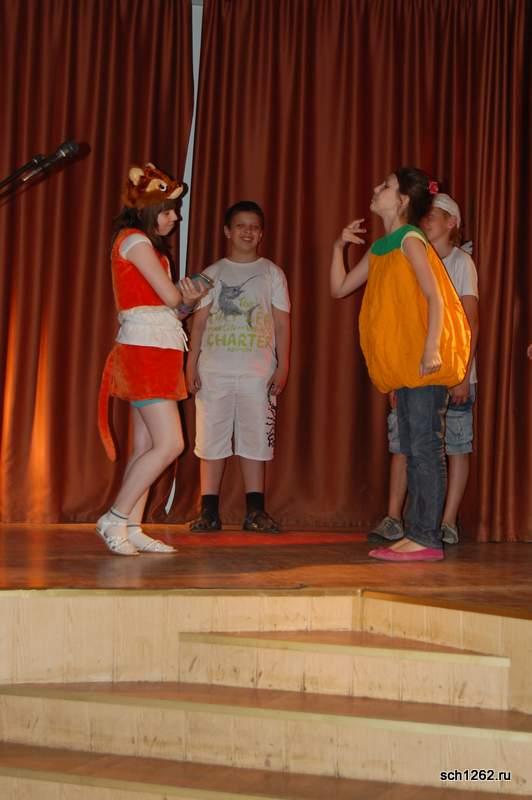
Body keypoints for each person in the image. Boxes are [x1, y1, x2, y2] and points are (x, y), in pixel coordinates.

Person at [330, 168, 470, 562]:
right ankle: (417, 533)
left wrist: (432, 349)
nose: (377, 189)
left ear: (403, 200)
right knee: (412, 448)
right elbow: (339, 288)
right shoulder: (381, 247)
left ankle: (426, 537)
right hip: (405, 367)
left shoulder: (410, 239)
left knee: (425, 448)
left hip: (422, 364)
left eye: (386, 186)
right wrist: (337, 247)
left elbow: (435, 295)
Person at [97, 163, 207, 555]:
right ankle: (114, 517)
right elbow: (172, 297)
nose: (175, 217)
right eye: (169, 210)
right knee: (171, 443)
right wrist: (184, 296)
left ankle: (131, 525)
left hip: (157, 347)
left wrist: (186, 301)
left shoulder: (148, 247)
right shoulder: (134, 241)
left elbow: (173, 307)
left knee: (146, 446)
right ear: (148, 209)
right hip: (144, 350)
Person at [369, 193, 479, 546]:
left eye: (436, 214)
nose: (427, 219)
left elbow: (469, 321)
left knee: (451, 444)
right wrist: (394, 377)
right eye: (425, 214)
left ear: (452, 223)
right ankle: (395, 516)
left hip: (451, 368)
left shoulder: (461, 263)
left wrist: (462, 375)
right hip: (414, 370)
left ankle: (444, 521)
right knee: (406, 444)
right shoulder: (411, 252)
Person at [186, 200, 291, 533]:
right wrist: (190, 365)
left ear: (261, 233)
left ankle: (255, 511)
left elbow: (282, 324)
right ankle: (208, 511)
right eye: (241, 226)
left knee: (256, 439)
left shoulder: (272, 273)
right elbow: (199, 324)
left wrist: (283, 366)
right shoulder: (212, 274)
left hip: (257, 372)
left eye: (254, 227)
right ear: (227, 231)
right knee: (211, 439)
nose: (248, 232)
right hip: (214, 371)